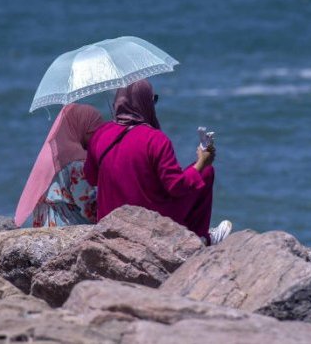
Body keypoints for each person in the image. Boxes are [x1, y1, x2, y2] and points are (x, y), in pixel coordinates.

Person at [83, 79, 231, 245]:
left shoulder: (101, 134)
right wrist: (201, 163)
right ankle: (199, 239)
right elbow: (176, 186)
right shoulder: (155, 139)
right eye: (153, 100)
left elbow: (90, 178)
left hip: (110, 221)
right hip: (150, 221)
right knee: (205, 173)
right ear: (145, 103)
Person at [15, 103, 105, 227]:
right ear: (82, 128)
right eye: (93, 131)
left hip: (44, 227)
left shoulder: (50, 156)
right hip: (68, 229)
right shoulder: (77, 164)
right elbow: (90, 208)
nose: (97, 137)